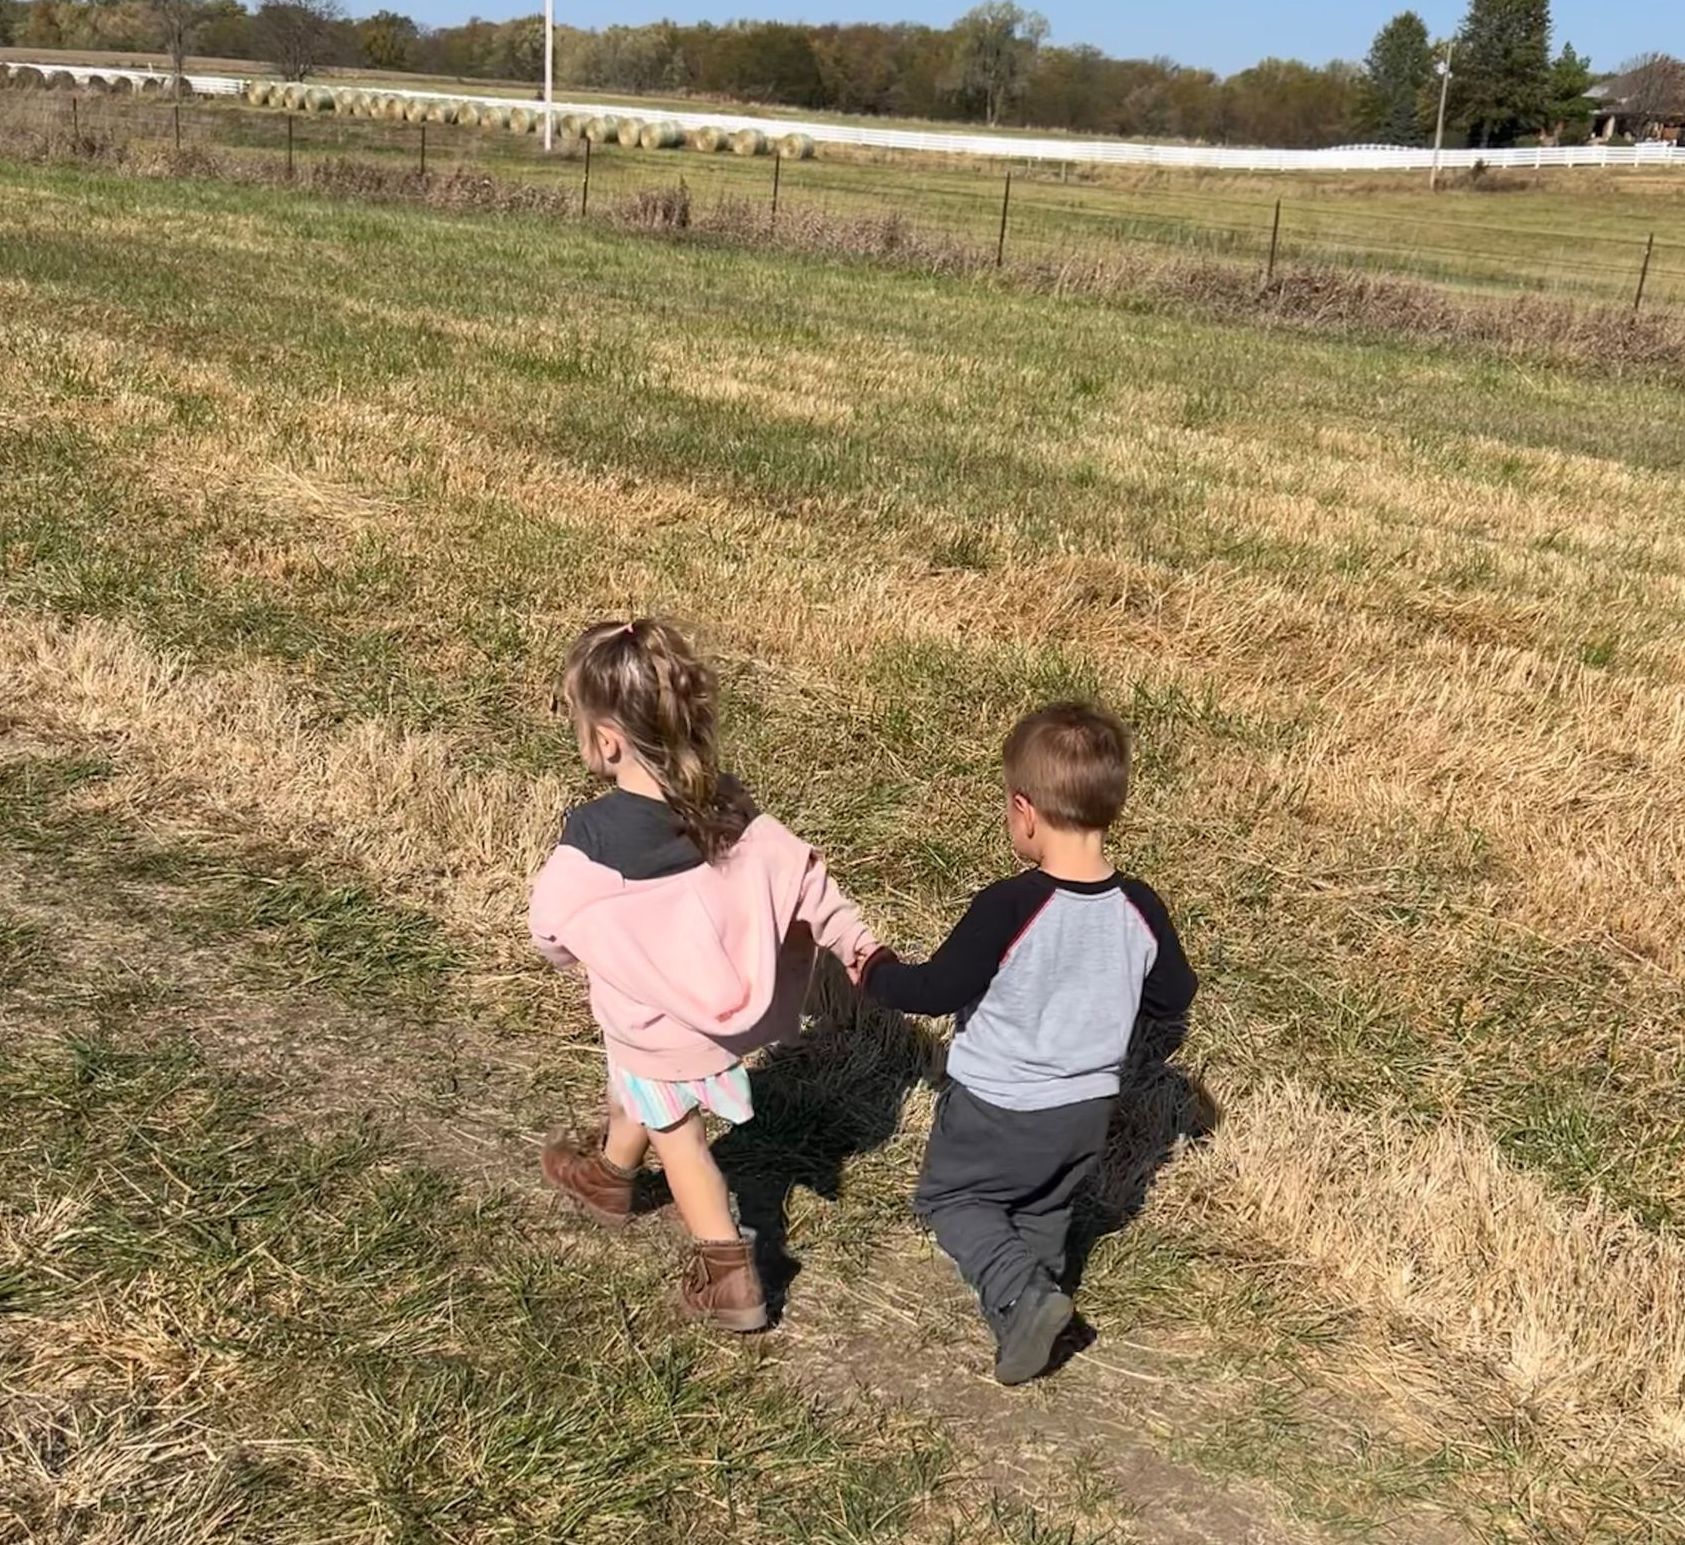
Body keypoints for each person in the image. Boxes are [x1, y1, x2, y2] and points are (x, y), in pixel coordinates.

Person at [528, 618, 880, 1333]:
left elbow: (548, 925)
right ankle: (609, 1177)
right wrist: (859, 948)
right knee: (638, 1089)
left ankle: (728, 1271)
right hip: (716, 1025)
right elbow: (806, 882)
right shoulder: (728, 805)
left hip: (659, 1027)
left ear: (604, 740)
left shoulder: (594, 837)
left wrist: (576, 949)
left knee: (679, 1136)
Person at [862, 702, 1197, 1385]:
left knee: (954, 1202)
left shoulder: (1008, 905)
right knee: (1044, 1204)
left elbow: (936, 989)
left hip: (996, 1104)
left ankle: (1025, 1296)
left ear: (1023, 811)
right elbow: (1173, 995)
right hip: (1084, 1110)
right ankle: (1038, 1306)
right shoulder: (1140, 907)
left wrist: (876, 974)